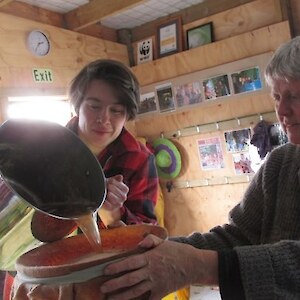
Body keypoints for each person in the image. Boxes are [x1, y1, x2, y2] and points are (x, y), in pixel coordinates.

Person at [98, 37, 300, 300]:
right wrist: (160, 251)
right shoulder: (279, 163)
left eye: (294, 96)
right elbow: (237, 236)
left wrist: (197, 265)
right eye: (276, 96)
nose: (282, 109)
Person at [66, 58, 158, 227]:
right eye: (94, 106)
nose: (104, 119)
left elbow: (146, 232)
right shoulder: (49, 148)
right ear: (77, 106)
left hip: (109, 253)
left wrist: (113, 212)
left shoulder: (141, 159)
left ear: (127, 115)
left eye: (116, 110)